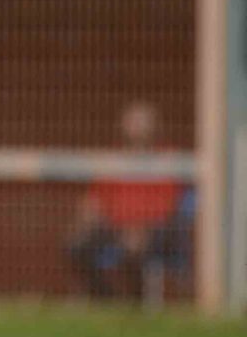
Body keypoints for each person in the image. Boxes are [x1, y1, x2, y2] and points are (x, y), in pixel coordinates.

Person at [67, 99, 190, 304]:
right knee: (77, 244)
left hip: (156, 230)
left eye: (142, 124)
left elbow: (170, 206)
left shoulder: (167, 160)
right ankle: (106, 300)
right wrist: (87, 219)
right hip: (114, 226)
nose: (137, 130)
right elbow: (95, 200)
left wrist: (141, 227)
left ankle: (137, 303)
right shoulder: (113, 161)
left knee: (133, 248)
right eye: (133, 123)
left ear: (154, 127)